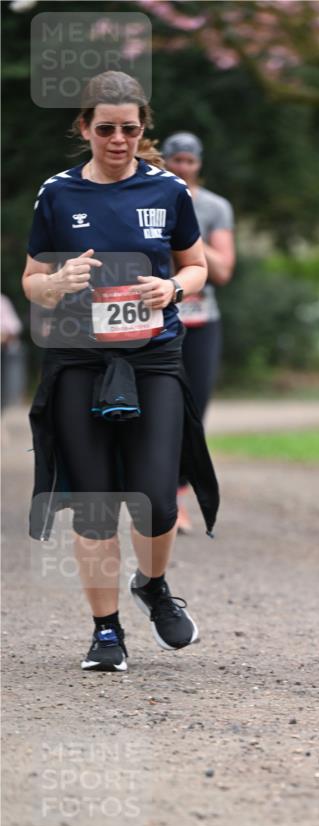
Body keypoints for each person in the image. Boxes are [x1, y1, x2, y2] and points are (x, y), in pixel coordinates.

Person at [23, 71, 219, 673]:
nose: (118, 139)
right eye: (105, 128)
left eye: (129, 129)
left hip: (153, 356)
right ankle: (105, 632)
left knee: (157, 498)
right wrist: (54, 284)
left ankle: (153, 586)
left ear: (143, 129)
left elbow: (197, 266)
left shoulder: (168, 191)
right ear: (84, 129)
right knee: (94, 505)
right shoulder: (57, 194)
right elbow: (32, 280)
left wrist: (173, 286)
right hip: (79, 357)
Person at [162, 132, 235, 534]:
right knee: (157, 408)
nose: (182, 168)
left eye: (189, 161)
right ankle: (155, 495)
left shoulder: (214, 207)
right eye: (176, 161)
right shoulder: (149, 199)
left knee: (193, 411)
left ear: (199, 164)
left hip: (202, 322)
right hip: (157, 319)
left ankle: (179, 498)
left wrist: (186, 229)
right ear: (165, 163)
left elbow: (222, 269)